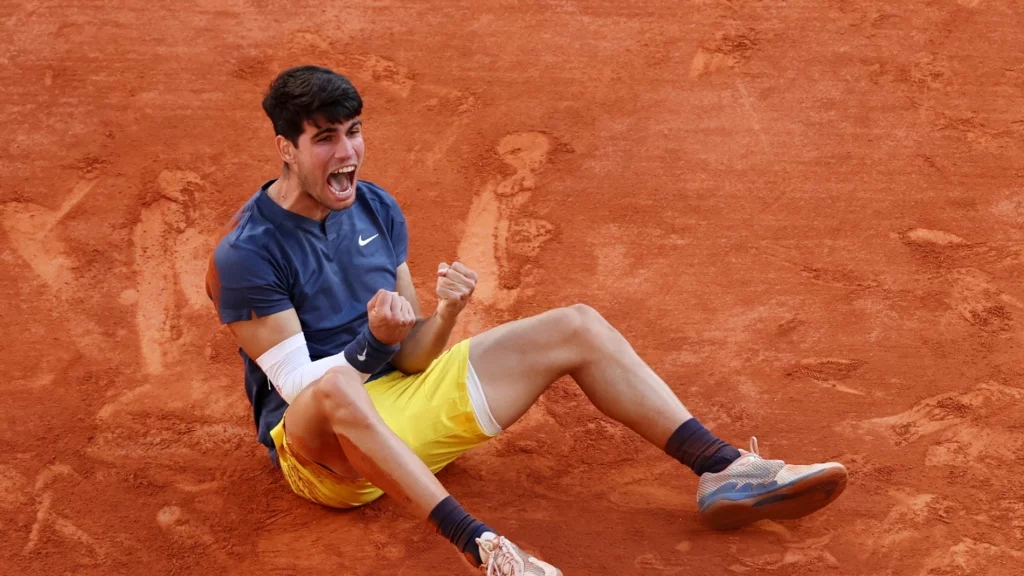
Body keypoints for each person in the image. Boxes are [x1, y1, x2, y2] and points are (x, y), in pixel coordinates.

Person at [206, 65, 848, 575]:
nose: (348, 153)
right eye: (326, 138)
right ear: (286, 148)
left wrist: (447, 311)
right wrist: (371, 343)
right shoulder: (247, 254)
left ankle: (723, 469)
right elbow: (303, 391)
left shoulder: (374, 208)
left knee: (578, 324)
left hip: (397, 407)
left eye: (354, 130)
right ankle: (486, 550)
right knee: (342, 385)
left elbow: (413, 360)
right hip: (327, 460)